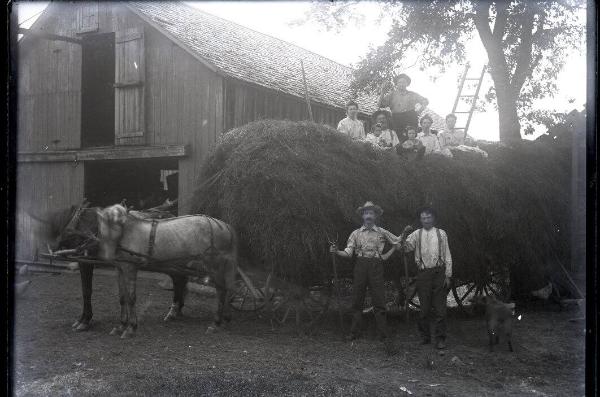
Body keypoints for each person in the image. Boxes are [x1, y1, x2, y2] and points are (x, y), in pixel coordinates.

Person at [330, 201, 399, 354]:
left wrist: (390, 252)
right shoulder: (355, 234)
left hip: (376, 266)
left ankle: (383, 335)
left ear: (375, 216)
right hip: (360, 266)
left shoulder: (382, 232)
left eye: (371, 213)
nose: (368, 216)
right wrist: (336, 251)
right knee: (357, 299)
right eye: (366, 213)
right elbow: (348, 253)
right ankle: (354, 333)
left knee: (379, 300)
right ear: (363, 216)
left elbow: (398, 242)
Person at [398, 207, 452, 350]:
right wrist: (404, 235)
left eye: (428, 217)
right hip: (423, 274)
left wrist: (448, 275)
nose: (426, 220)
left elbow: (447, 255)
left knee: (440, 309)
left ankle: (440, 339)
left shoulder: (441, 234)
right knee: (424, 309)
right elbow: (405, 248)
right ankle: (425, 337)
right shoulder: (416, 234)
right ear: (420, 220)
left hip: (439, 273)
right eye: (423, 218)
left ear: (433, 218)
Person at [378, 74, 429, 143]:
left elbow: (425, 101)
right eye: (400, 82)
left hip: (410, 118)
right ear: (396, 84)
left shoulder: (412, 94)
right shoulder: (392, 94)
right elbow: (380, 104)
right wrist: (382, 91)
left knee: (411, 139)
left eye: (404, 82)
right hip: (396, 118)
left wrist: (419, 111)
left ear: (407, 84)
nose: (402, 84)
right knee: (397, 140)